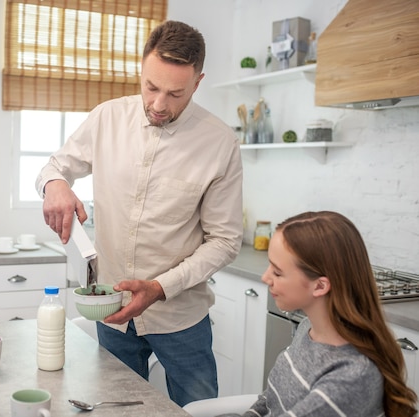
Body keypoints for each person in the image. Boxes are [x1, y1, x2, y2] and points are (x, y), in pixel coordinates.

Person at [36, 20, 243, 407]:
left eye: (175, 93)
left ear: (197, 83)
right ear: (141, 70)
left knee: (197, 413)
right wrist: (55, 185)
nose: (159, 104)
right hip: (113, 309)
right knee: (117, 410)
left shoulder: (220, 143)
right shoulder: (106, 118)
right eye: (151, 87)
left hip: (181, 317)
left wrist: (159, 288)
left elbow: (226, 241)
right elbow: (53, 167)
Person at [219, 211, 417, 417]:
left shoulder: (351, 378)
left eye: (277, 272)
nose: (265, 277)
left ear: (320, 286)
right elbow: (271, 399)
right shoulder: (308, 328)